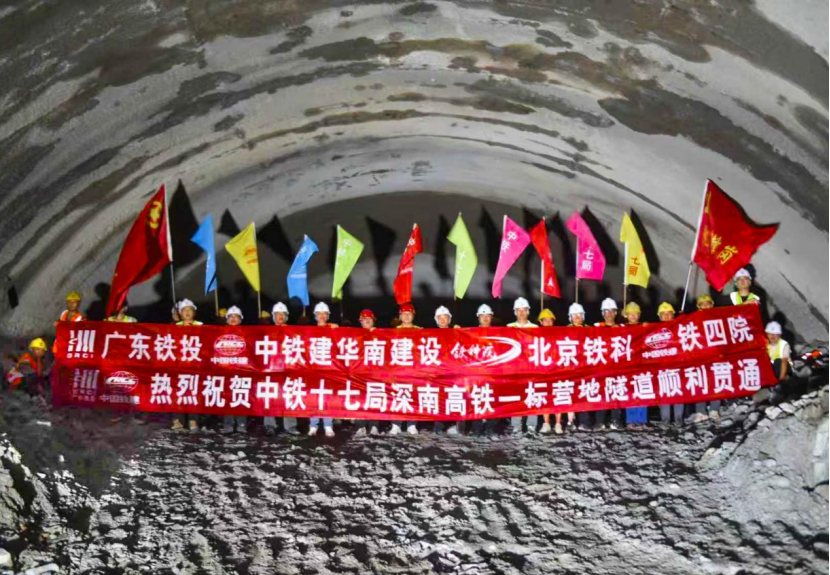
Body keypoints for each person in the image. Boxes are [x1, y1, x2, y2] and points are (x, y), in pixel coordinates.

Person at [508, 298, 538, 436]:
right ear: (515, 312)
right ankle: (516, 425)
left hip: (531, 368)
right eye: (518, 310)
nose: (521, 313)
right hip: (515, 369)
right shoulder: (508, 327)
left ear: (528, 311)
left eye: (524, 310)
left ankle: (531, 425)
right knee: (516, 397)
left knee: (532, 395)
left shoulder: (535, 328)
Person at [172, 299, 203, 432]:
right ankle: (178, 420)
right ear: (180, 313)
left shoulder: (201, 326)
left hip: (195, 365)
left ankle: (193, 420)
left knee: (193, 393)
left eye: (190, 310)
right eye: (184, 310)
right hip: (178, 365)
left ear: (194, 312)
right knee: (177, 393)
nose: (187, 312)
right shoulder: (174, 326)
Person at [267, 302, 296, 436]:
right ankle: (270, 425)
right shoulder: (267, 332)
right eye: (277, 314)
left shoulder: (292, 331)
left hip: (288, 369)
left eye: (283, 314)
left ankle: (290, 426)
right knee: (270, 397)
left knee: (289, 396)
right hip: (271, 369)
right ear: (273, 316)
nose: (280, 317)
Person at [309, 303, 337, 437]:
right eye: (319, 314)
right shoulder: (309, 331)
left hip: (328, 368)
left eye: (324, 314)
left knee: (327, 397)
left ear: (327, 316)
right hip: (314, 369)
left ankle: (328, 425)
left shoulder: (332, 329)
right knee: (314, 398)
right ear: (315, 316)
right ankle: (313, 425)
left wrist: (337, 329)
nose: (322, 316)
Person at [592, 298, 621, 430]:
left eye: (611, 311)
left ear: (616, 313)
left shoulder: (621, 328)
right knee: (602, 395)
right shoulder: (596, 327)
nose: (609, 314)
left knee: (616, 394)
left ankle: (615, 421)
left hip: (617, 367)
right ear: (602, 313)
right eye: (606, 311)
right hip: (601, 367)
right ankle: (600, 422)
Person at [392, 303, 420, 436]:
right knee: (397, 395)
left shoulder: (420, 331)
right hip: (398, 368)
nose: (407, 316)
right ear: (400, 316)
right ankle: (396, 424)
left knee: (412, 395)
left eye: (409, 314)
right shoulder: (393, 331)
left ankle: (411, 424)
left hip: (414, 369)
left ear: (413, 316)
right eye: (404, 314)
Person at [471, 305, 498, 437]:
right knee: (477, 398)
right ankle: (477, 427)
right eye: (483, 316)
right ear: (478, 318)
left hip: (493, 373)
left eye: (488, 316)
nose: (485, 318)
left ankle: (490, 427)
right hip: (477, 373)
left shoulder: (499, 333)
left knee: (493, 399)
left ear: (491, 317)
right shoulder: (471, 333)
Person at [433, 306, 461, 435]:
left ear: (449, 319)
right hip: (437, 372)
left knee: (453, 396)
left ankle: (452, 424)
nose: (443, 320)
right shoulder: (430, 334)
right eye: (440, 318)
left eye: (446, 317)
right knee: (438, 399)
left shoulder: (455, 332)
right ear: (436, 320)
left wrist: (461, 333)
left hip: (453, 372)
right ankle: (438, 425)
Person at [657, 303, 684, 427]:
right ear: (659, 316)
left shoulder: (678, 328)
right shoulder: (654, 330)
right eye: (664, 314)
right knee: (664, 393)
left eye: (669, 314)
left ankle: (678, 419)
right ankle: (665, 420)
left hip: (677, 365)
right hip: (662, 366)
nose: (667, 316)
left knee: (678, 392)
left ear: (673, 315)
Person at [222, 306, 248, 435]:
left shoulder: (246, 333)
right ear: (227, 319)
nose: (233, 319)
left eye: (236, 317)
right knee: (227, 397)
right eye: (230, 317)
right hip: (226, 369)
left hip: (241, 369)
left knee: (241, 395)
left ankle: (241, 423)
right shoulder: (220, 332)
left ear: (240, 319)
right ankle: (228, 424)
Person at [355, 309, 381, 436]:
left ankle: (374, 425)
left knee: (374, 397)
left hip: (375, 372)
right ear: (360, 321)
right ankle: (361, 425)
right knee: (360, 399)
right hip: (360, 372)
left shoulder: (380, 334)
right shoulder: (355, 335)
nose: (367, 321)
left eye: (369, 319)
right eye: (364, 319)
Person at [622, 303, 648, 430]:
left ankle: (642, 420)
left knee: (643, 391)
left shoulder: (644, 327)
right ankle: (631, 420)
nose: (633, 316)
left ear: (639, 315)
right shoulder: (622, 328)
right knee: (630, 393)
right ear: (626, 315)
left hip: (642, 364)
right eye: (630, 314)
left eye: (635, 314)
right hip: (628, 365)